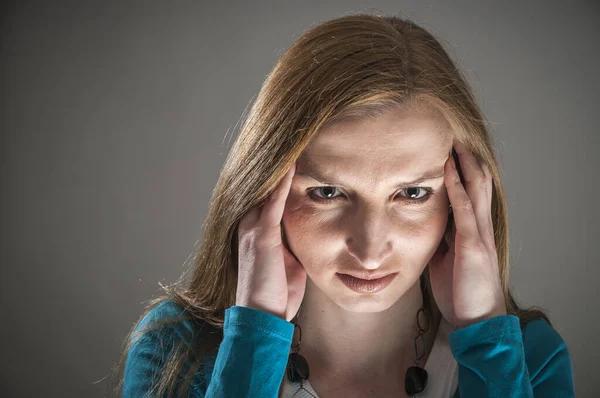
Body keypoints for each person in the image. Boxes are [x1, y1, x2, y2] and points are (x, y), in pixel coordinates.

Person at [113, 13, 575, 397]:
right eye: (327, 193)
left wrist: (488, 341)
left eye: (413, 193)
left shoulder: (530, 358)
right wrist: (253, 339)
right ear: (260, 189)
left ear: (464, 203)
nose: (370, 252)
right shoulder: (176, 348)